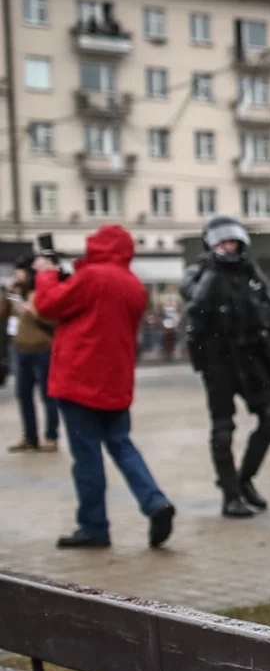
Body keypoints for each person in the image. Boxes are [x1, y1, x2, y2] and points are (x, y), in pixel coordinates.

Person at [31, 226, 175, 549]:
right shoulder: (133, 284)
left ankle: (94, 527)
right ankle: (155, 502)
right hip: (115, 381)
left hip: (80, 380)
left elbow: (48, 306)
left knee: (87, 457)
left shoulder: (93, 276)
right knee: (122, 445)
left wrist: (47, 274)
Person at [180, 216, 270, 518]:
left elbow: (269, 309)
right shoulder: (198, 273)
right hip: (218, 362)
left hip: (250, 359)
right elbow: (195, 306)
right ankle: (230, 495)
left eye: (233, 242)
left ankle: (244, 479)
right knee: (223, 428)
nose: (229, 247)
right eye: (222, 242)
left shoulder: (248, 272)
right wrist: (214, 270)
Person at [2, 257, 60, 453]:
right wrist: (8, 293)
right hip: (20, 350)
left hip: (42, 350)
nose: (16, 275)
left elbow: (53, 320)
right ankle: (30, 437)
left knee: (47, 396)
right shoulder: (16, 293)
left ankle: (51, 437)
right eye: (15, 272)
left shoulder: (40, 293)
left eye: (20, 272)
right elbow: (2, 313)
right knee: (23, 395)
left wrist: (32, 311)